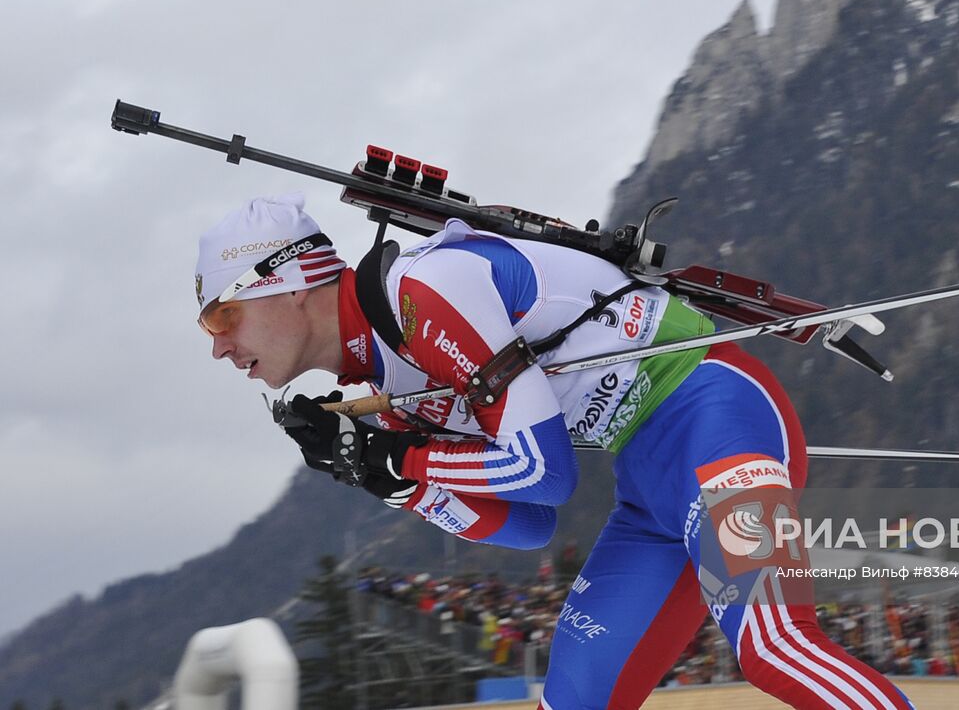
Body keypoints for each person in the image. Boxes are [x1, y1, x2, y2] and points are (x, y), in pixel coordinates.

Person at [195, 193, 915, 709]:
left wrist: (404, 462)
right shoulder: (392, 373)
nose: (220, 345)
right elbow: (526, 522)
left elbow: (545, 471)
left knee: (771, 646)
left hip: (717, 415)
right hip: (649, 487)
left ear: (289, 285)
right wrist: (392, 481)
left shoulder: (424, 292)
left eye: (223, 312)